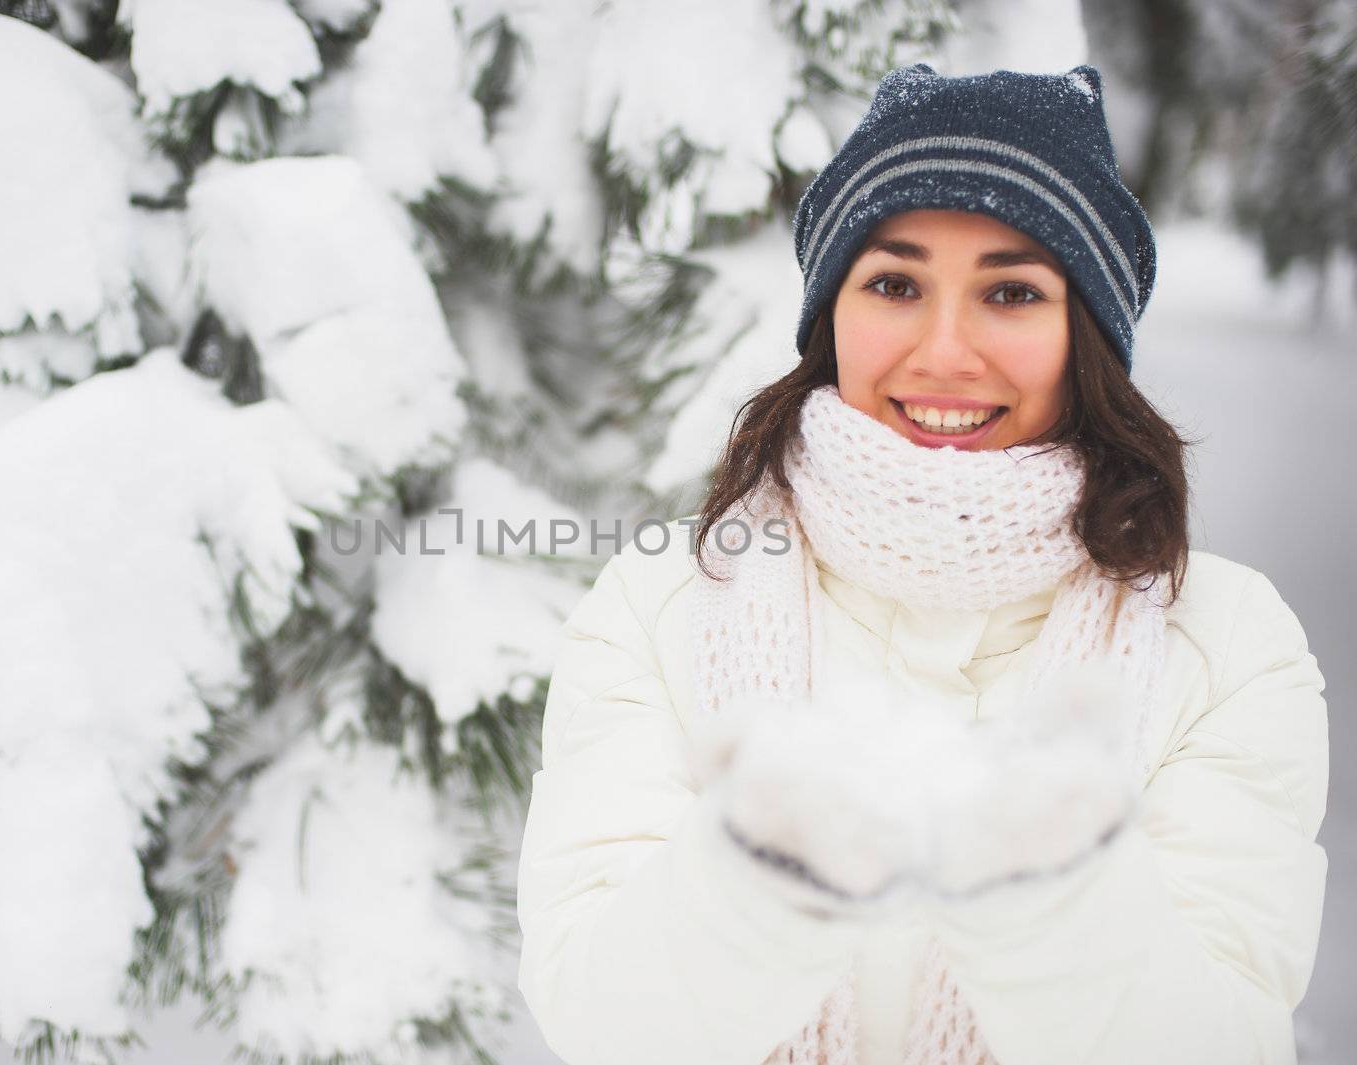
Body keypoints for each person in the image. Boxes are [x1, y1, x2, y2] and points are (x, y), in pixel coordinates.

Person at [514, 63, 1328, 1065]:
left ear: (1088, 335)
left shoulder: (1227, 641)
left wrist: (1051, 903)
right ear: (829, 315)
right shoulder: (660, 604)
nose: (946, 351)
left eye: (1012, 291)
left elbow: (1230, 1041)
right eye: (895, 283)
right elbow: (602, 1023)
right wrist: (757, 879)